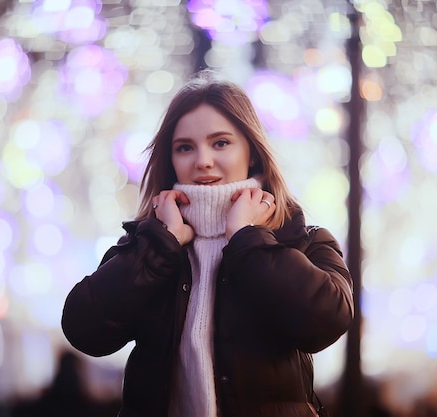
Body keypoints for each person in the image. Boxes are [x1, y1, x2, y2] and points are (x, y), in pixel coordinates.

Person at [61, 70, 354, 417]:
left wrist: (247, 239)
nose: (202, 160)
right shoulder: (149, 245)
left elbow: (327, 322)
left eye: (220, 143)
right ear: (170, 159)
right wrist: (162, 246)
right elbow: (85, 329)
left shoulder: (301, 240)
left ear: (253, 153)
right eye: (185, 147)